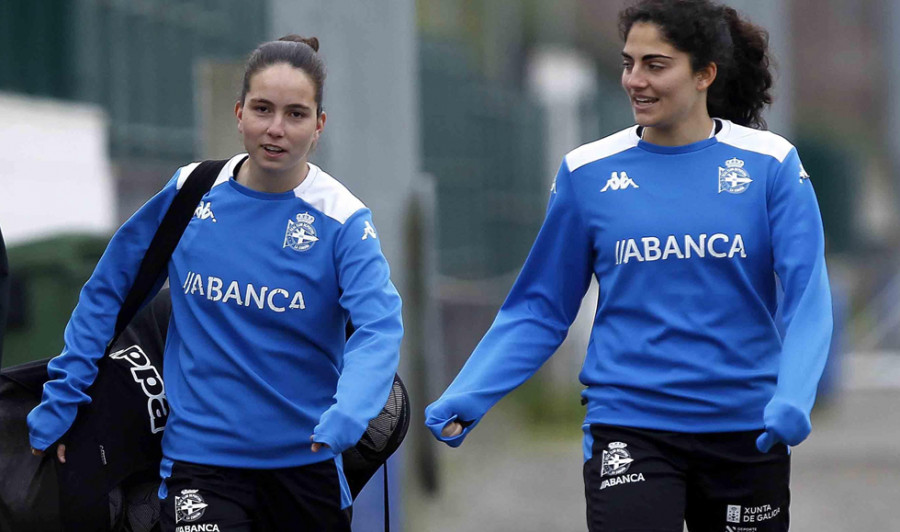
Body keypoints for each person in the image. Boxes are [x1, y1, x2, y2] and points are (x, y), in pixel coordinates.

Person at [425, 1, 832, 530]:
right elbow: (540, 307)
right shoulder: (587, 173)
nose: (634, 80)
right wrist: (471, 389)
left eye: (655, 65)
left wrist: (794, 395)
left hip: (747, 428)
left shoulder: (771, 165)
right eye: (627, 63)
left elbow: (807, 297)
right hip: (630, 426)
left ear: (704, 73)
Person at [28, 34, 403, 531]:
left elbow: (379, 328)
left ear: (319, 126)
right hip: (201, 466)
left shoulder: (343, 221)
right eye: (262, 109)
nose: (276, 128)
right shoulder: (191, 193)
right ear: (239, 113)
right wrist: (65, 395)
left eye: (295, 114)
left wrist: (349, 412)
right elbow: (108, 291)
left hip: (307, 462)